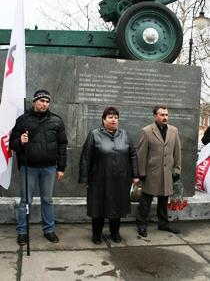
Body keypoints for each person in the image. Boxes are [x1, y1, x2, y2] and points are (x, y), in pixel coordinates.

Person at [9, 89, 68, 246]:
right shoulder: (23, 120)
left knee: (47, 200)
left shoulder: (56, 121)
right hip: (29, 167)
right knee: (26, 201)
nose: (45, 104)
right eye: (42, 101)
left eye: (47, 101)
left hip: (49, 168)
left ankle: (48, 230)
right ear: (35, 101)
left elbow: (62, 146)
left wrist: (61, 168)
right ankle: (22, 231)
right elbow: (12, 143)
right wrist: (20, 140)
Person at [78, 106, 139, 244]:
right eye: (110, 117)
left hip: (120, 178)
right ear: (103, 120)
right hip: (99, 178)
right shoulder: (94, 134)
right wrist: (84, 178)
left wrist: (135, 175)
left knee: (117, 206)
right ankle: (96, 234)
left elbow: (133, 156)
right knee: (98, 206)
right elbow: (85, 157)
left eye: (116, 117)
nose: (114, 120)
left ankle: (115, 232)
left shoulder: (125, 134)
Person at [133, 105, 181, 237]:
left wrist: (177, 169)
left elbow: (177, 152)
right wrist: (140, 173)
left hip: (167, 172)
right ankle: (141, 224)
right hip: (151, 173)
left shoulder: (174, 130)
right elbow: (141, 154)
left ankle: (163, 224)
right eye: (162, 115)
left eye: (166, 115)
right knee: (145, 201)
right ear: (155, 116)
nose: (165, 117)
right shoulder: (147, 131)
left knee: (164, 200)